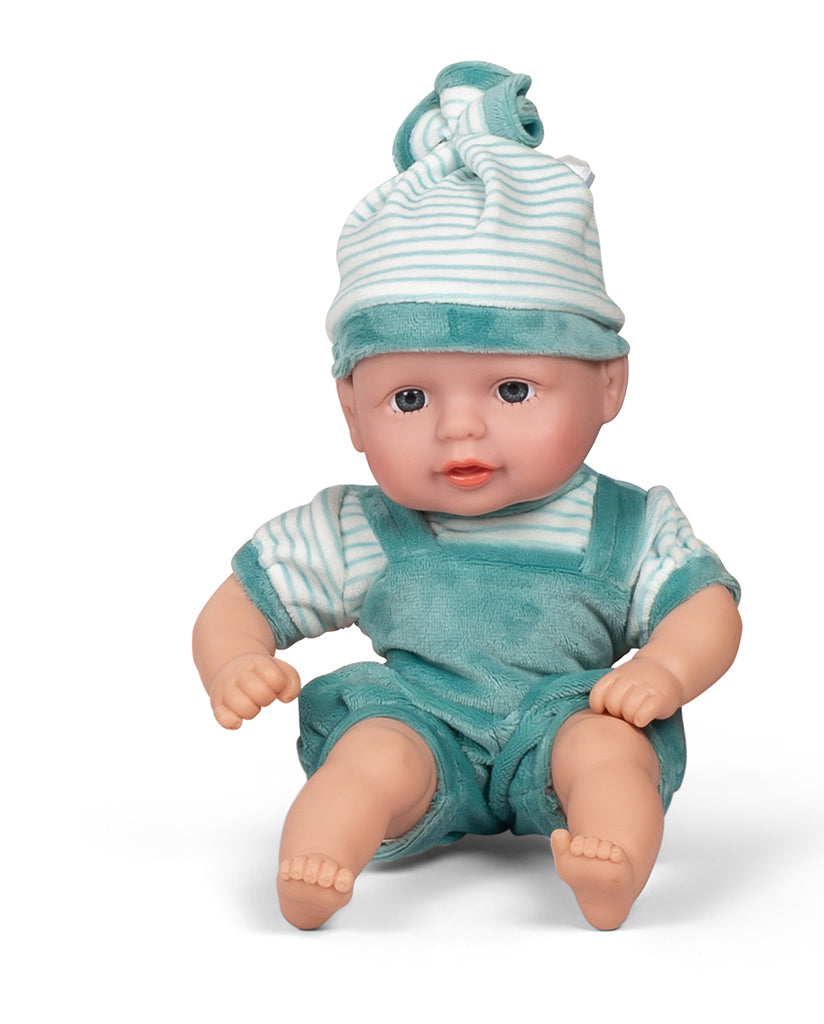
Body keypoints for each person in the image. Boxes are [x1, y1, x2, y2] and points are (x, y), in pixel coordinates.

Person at [193, 61, 741, 931]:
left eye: (513, 390)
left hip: (566, 715)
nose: (459, 431)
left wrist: (664, 670)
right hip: (422, 721)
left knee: (609, 752)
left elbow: (704, 606)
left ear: (609, 385)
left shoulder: (628, 526)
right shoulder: (362, 526)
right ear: (352, 411)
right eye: (410, 399)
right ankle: (319, 859)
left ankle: (613, 862)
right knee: (371, 755)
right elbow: (243, 600)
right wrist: (234, 661)